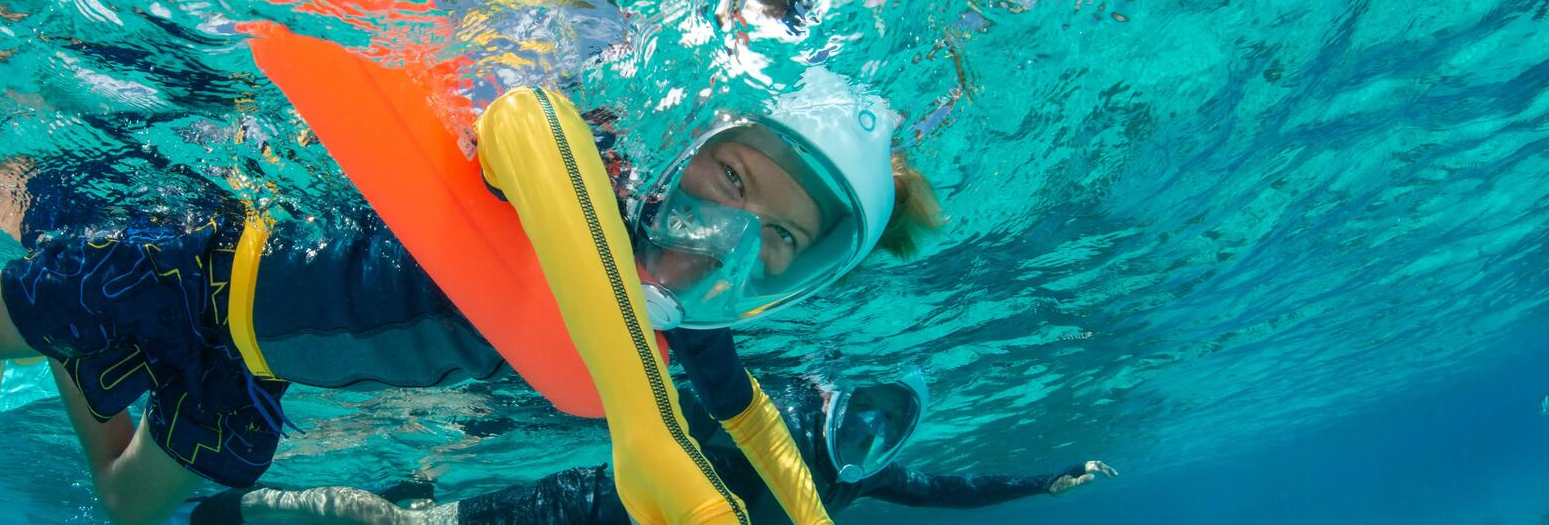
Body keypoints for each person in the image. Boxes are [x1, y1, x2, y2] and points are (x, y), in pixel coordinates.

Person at [0, 64, 944, 525]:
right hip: (190, 270)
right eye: (726, 176)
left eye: (776, 237)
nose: (723, 233)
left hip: (263, 361)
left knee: (135, 507)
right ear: (687, 145)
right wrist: (649, 442)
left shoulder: (686, 328)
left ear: (803, 272)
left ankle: (87, 364)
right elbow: (527, 122)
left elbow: (753, 412)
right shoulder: (585, 172)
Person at [172, 371, 1118, 525]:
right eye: (863, 412)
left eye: (880, 435)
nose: (862, 438)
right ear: (835, 392)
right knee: (414, 522)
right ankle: (242, 507)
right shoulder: (768, 407)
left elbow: (953, 490)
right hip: (574, 505)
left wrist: (1046, 480)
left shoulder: (848, 485)